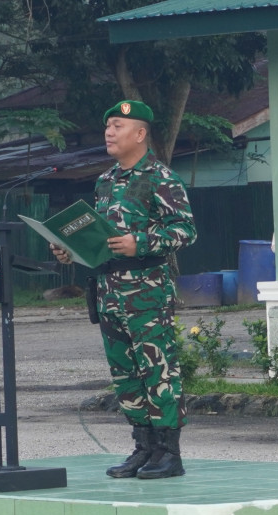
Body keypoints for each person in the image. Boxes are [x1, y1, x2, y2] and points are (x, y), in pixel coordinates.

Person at [50, 100, 196, 480]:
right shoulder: (106, 181)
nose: (109, 133)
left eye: (117, 126)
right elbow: (97, 238)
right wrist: (70, 249)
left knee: (158, 370)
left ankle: (169, 452)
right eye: (107, 127)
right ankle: (143, 448)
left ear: (140, 134)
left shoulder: (161, 179)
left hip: (146, 292)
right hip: (107, 291)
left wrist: (140, 243)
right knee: (125, 374)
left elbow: (184, 231)